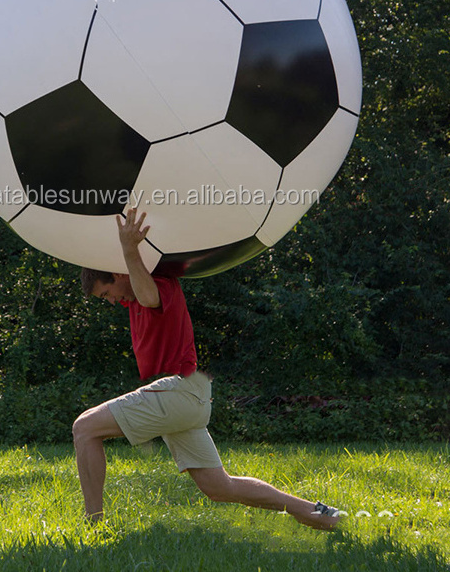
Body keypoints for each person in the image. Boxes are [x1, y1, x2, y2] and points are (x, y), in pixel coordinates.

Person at [73, 207, 342, 530]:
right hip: (188, 397)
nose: (111, 301)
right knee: (219, 487)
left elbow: (147, 295)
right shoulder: (135, 298)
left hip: (176, 390)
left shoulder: (160, 284)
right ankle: (316, 513)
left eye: (106, 293)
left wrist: (129, 249)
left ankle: (92, 525)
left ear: (116, 275)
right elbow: (137, 295)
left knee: (84, 428)